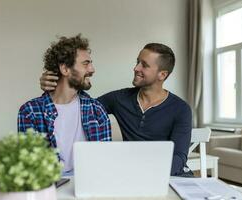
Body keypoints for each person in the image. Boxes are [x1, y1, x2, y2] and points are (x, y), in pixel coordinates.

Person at [40, 43, 192, 176]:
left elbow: (178, 158)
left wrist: (137, 172)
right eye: (137, 62)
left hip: (169, 176)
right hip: (129, 177)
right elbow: (82, 106)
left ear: (162, 75)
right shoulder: (119, 98)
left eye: (144, 65)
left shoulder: (181, 109)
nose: (136, 68)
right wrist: (57, 83)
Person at [18, 34, 112, 175]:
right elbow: (30, 167)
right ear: (65, 69)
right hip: (49, 186)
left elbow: (105, 163)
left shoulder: (96, 110)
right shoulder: (30, 112)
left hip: (88, 183)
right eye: (86, 64)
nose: (92, 69)